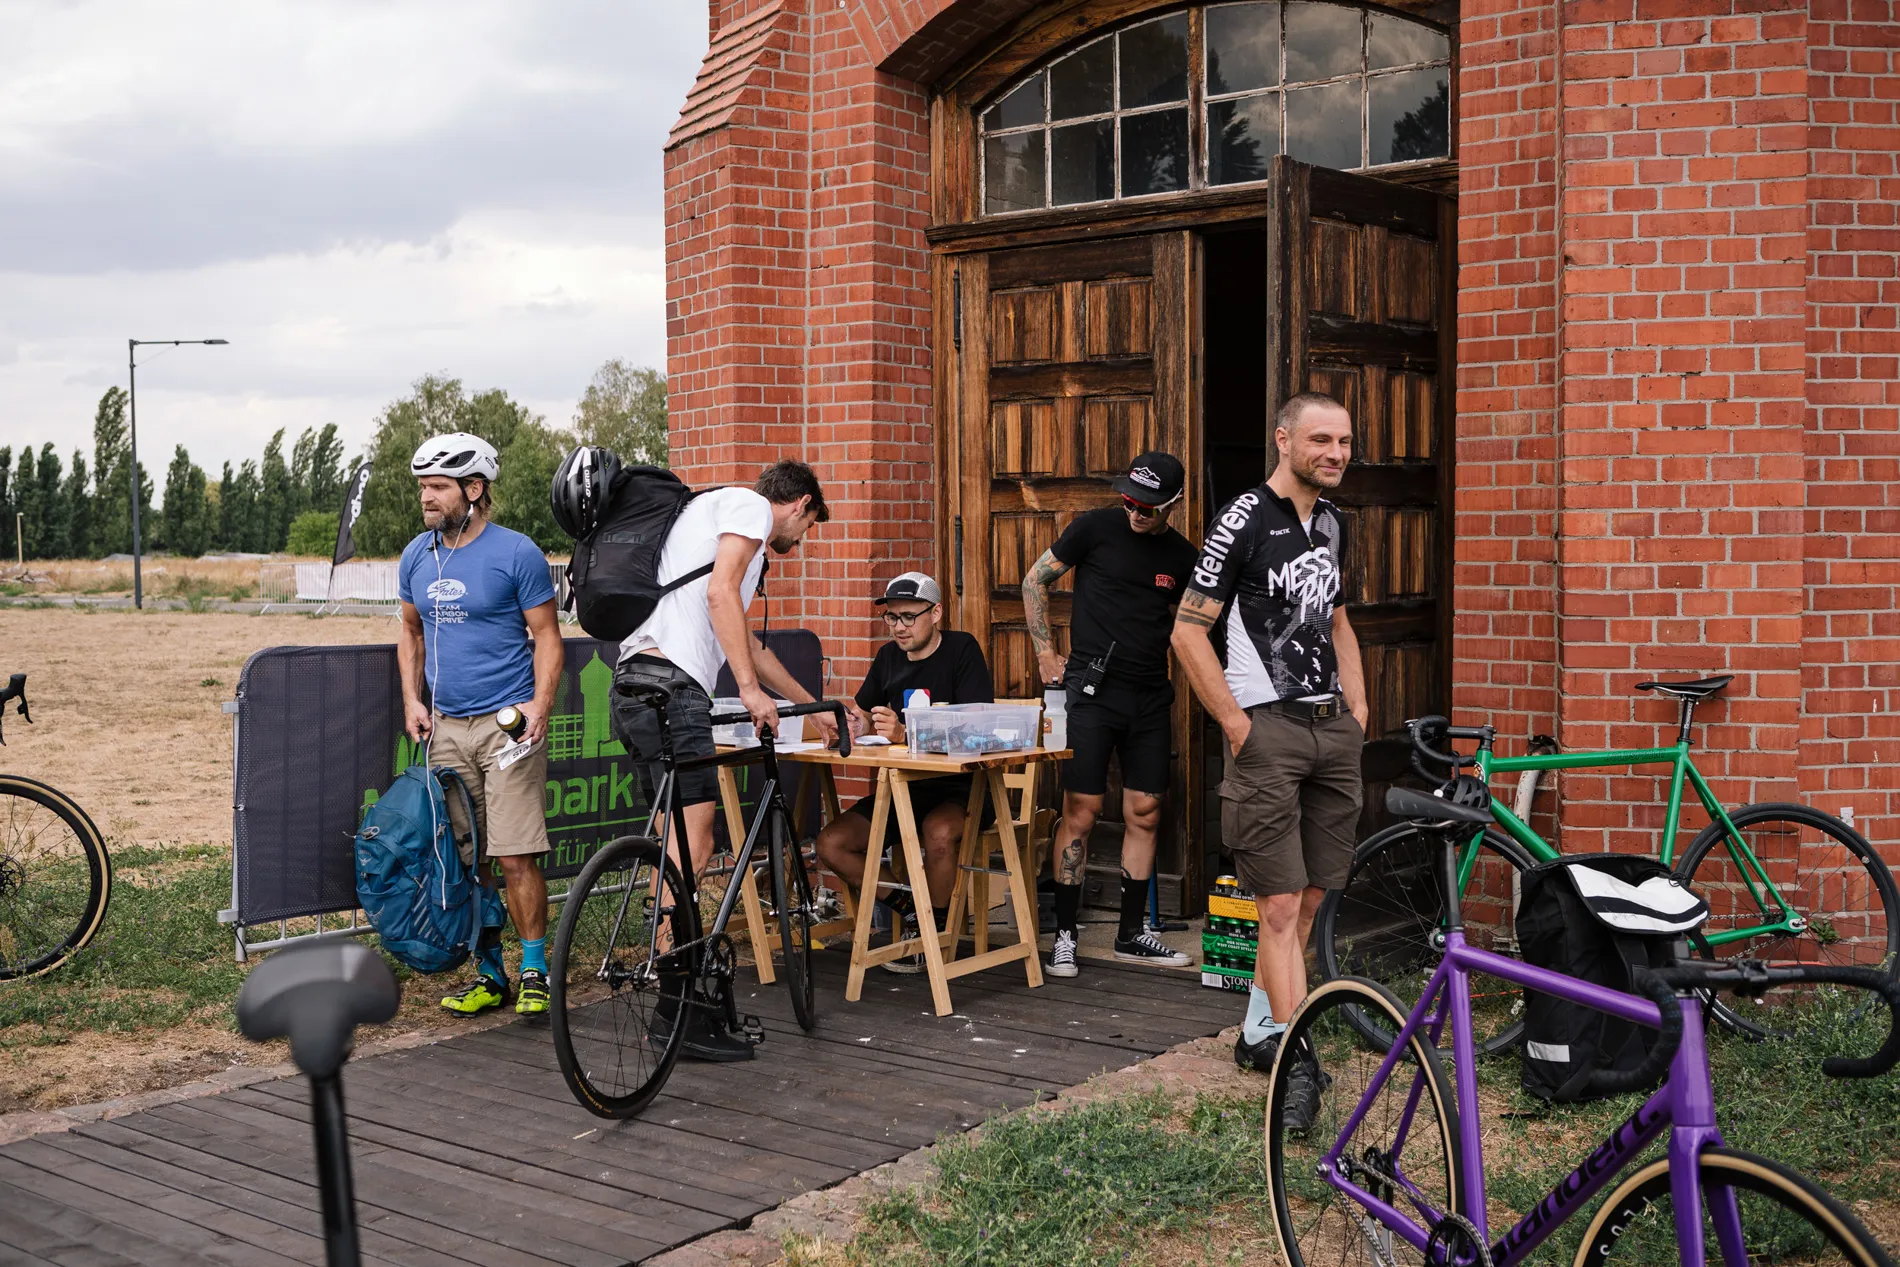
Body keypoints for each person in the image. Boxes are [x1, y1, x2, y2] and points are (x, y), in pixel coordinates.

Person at [1170, 392, 1368, 1129]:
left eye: (1344, 441)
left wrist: (1359, 705)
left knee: (1310, 897)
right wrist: (1235, 722)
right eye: (1321, 438)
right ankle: (1297, 1060)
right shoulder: (1244, 518)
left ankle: (1260, 1028)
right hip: (1269, 730)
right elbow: (1189, 633)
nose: (1336, 452)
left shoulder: (1334, 521)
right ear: (1283, 438)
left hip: (1330, 729)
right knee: (1278, 905)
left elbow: (1339, 617)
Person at [610, 458, 836, 1060]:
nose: (799, 541)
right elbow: (719, 594)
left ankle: (678, 993)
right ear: (801, 506)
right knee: (696, 847)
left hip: (633, 683)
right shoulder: (751, 508)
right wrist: (751, 693)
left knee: (672, 852)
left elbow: (749, 641)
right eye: (808, 529)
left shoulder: (702, 515)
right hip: (677, 689)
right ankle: (675, 1015)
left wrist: (810, 706)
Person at [396, 432, 565, 1020]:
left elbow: (547, 635)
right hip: (445, 729)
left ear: (475, 489)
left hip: (507, 727)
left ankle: (536, 969)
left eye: (438, 486)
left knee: (516, 855)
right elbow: (411, 631)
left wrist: (540, 707)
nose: (427, 497)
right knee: (470, 861)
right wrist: (412, 702)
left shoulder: (517, 553)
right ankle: (491, 976)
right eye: (423, 487)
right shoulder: (416, 555)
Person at [1021, 451, 1200, 978]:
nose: (1136, 512)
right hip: (1092, 691)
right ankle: (1067, 938)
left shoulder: (1182, 555)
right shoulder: (1094, 528)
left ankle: (1131, 935)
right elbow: (1035, 581)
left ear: (1173, 504)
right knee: (1082, 809)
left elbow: (1198, 621)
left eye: (1148, 506)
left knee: (1146, 810)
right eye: (1129, 500)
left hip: (1149, 695)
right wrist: (1044, 653)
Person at [814, 573, 994, 973]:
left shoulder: (962, 650)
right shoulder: (888, 657)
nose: (899, 626)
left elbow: (978, 727)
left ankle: (938, 927)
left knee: (938, 833)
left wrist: (905, 732)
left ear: (937, 613)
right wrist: (848, 726)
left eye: (909, 617)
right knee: (830, 843)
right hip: (901, 790)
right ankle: (912, 906)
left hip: (963, 788)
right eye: (892, 618)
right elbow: (862, 712)